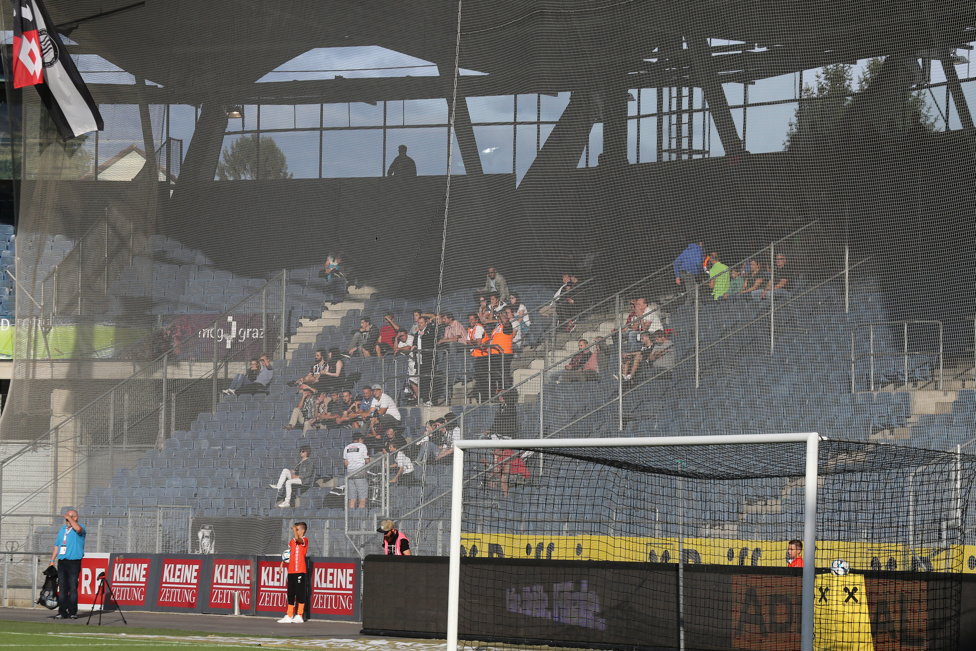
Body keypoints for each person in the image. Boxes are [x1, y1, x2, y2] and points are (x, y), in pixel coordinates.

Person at [50, 509, 85, 620]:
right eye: (66, 519)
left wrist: (70, 518)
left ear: (75, 518)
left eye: (69, 518)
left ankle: (73, 611)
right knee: (63, 588)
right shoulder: (62, 530)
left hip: (73, 562)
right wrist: (52, 560)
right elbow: (57, 545)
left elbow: (78, 529)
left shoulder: (80, 528)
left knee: (72, 587)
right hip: (62, 562)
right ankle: (62, 611)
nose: (67, 520)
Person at [277, 522, 309, 624]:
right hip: (291, 570)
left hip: (300, 570)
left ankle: (299, 615)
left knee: (300, 593)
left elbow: (298, 539)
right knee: (290, 593)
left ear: (302, 531)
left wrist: (294, 530)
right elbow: (288, 553)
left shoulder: (304, 540)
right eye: (296, 529)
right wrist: (282, 564)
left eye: (298, 529)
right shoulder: (292, 541)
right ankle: (289, 615)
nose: (296, 531)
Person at [343, 433, 370, 509]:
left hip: (350, 474)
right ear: (360, 439)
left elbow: (346, 463)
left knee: (352, 499)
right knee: (362, 499)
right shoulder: (362, 446)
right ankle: (360, 518)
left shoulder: (346, 447)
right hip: (360, 473)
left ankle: (350, 518)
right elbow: (367, 461)